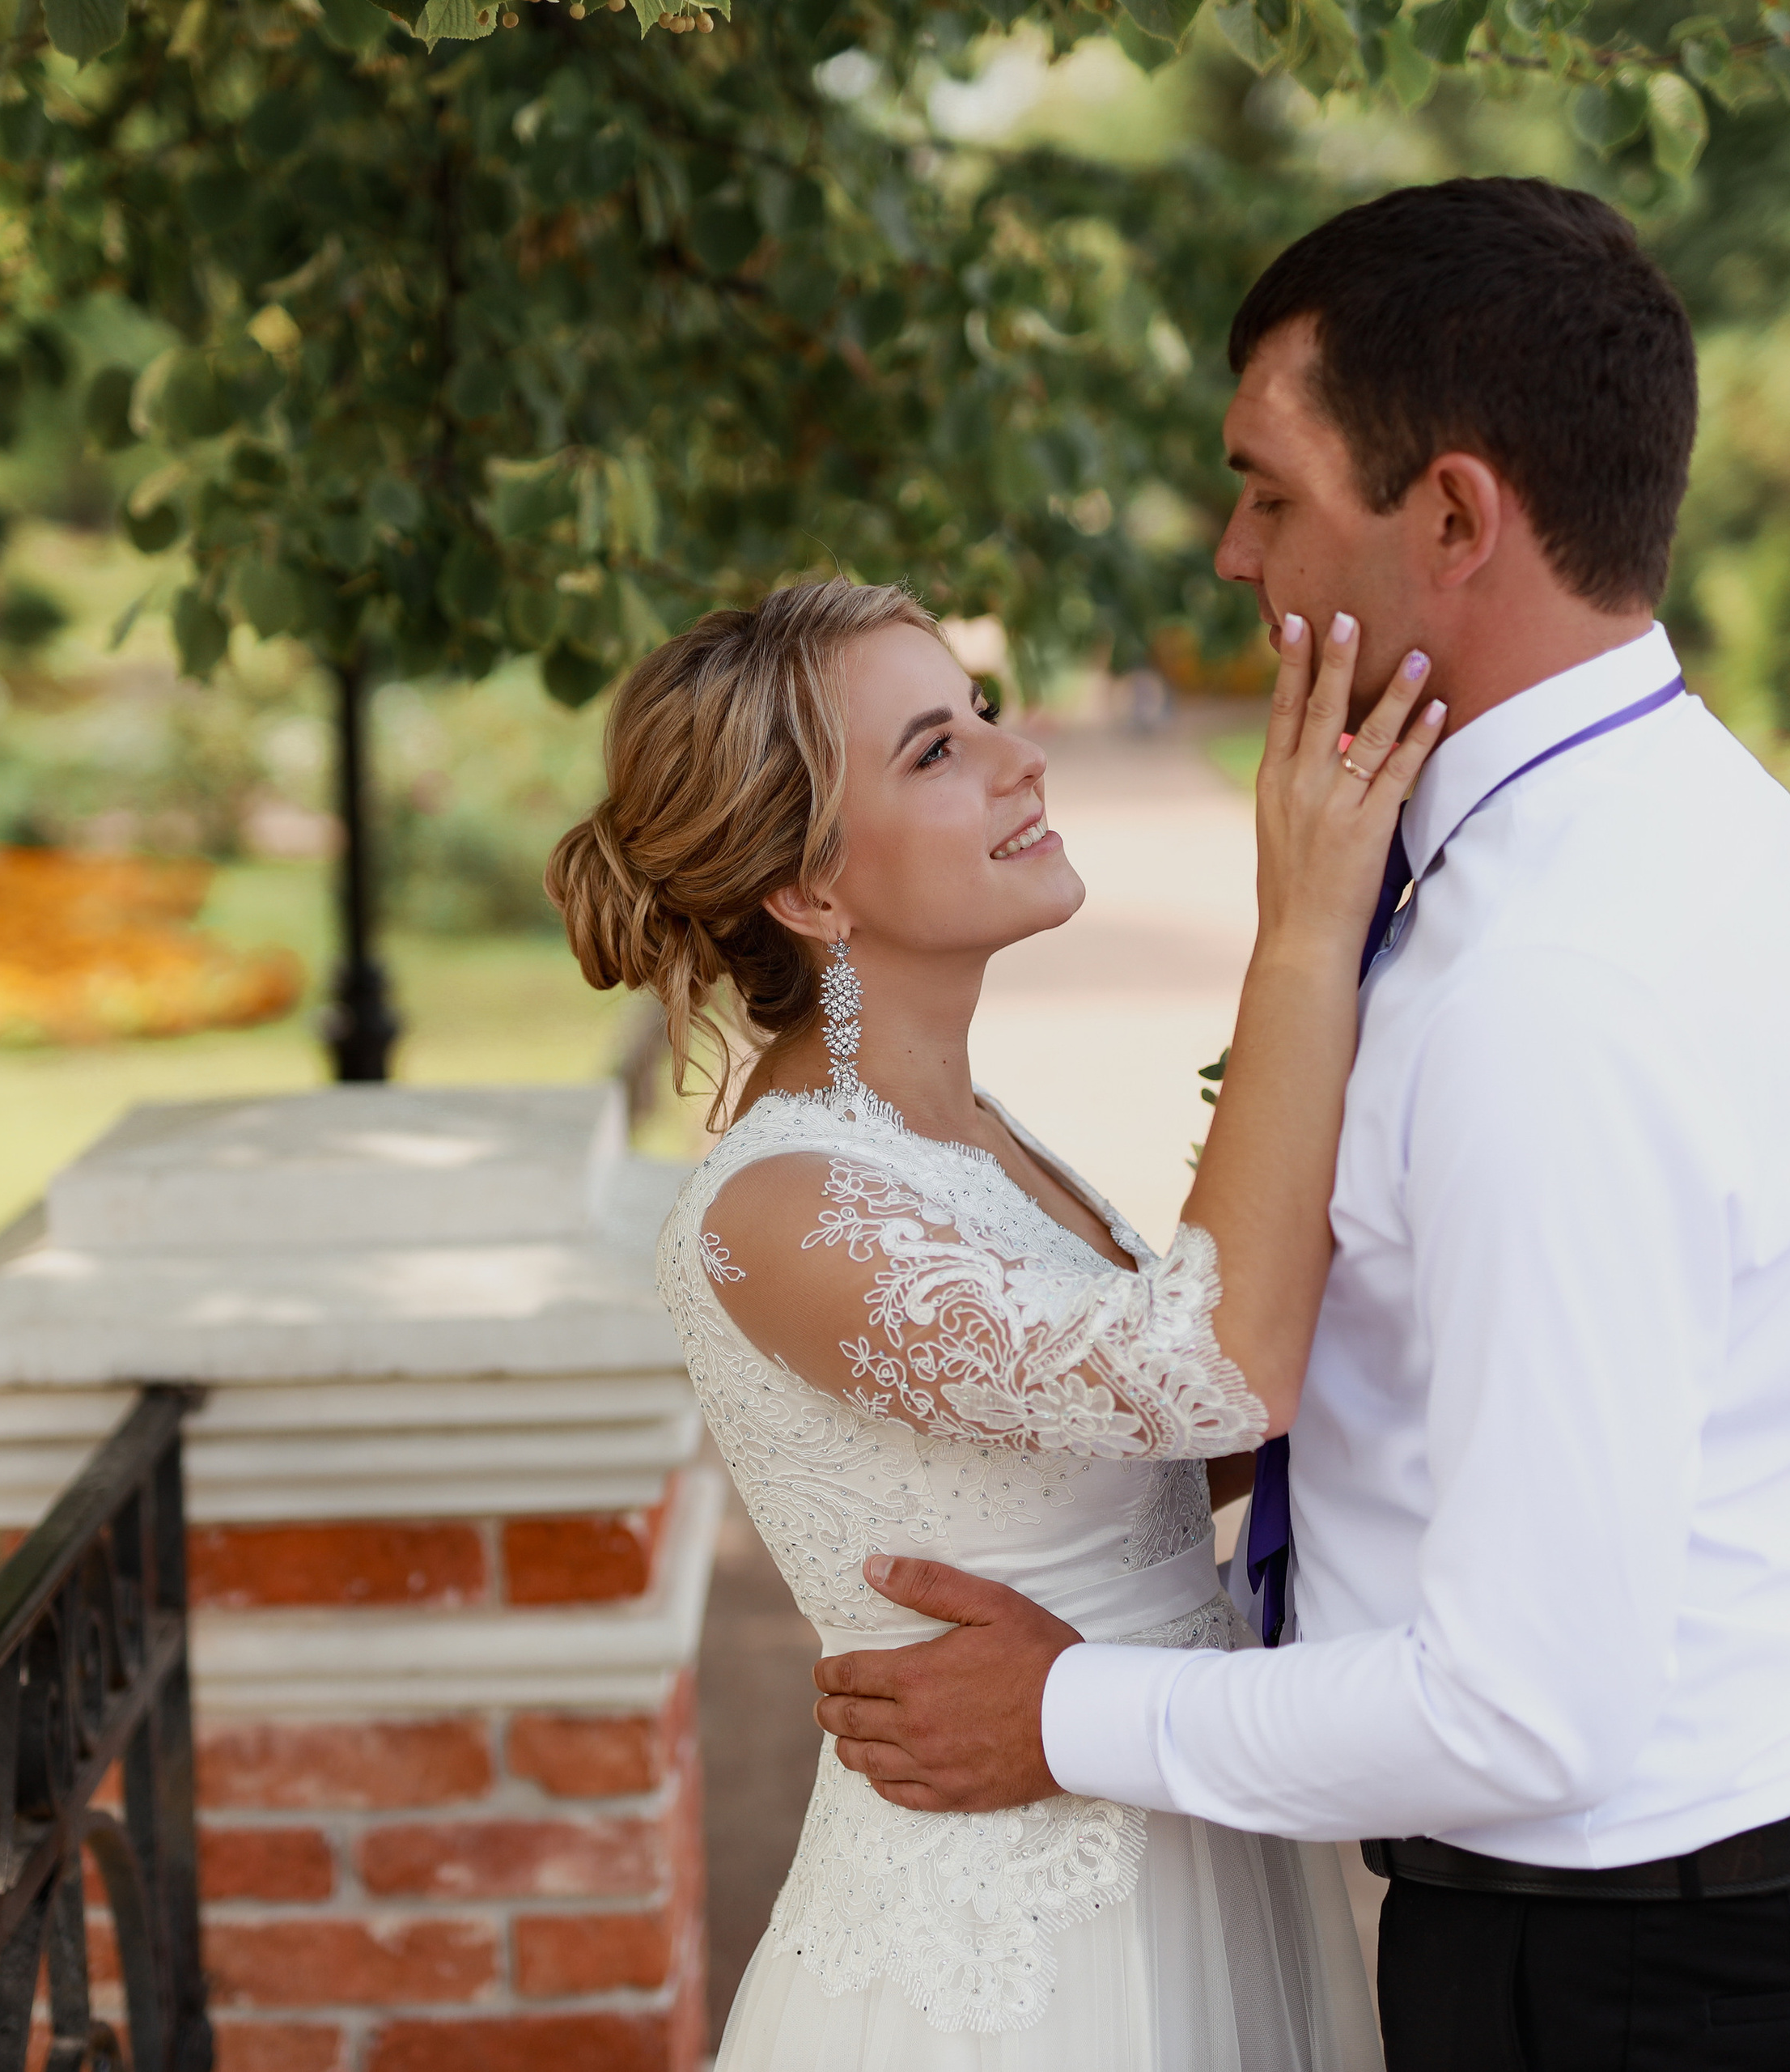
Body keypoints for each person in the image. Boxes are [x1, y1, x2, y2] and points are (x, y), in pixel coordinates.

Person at [810, 178, 1790, 2070]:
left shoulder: (1545, 987)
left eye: (1265, 491)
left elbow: (1524, 1712)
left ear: (1451, 517)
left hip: (1617, 1983)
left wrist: (1062, 1712)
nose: (1226, 552)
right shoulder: (1693, 825)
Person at [546, 572, 1440, 2066]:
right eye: (936, 751)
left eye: (981, 714)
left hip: (1178, 1835)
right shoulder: (782, 1206)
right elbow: (1214, 1372)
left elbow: (1150, 1454)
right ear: (811, 894)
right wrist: (1302, 932)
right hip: (1007, 1946)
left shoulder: (970, 1134)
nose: (1021, 760)